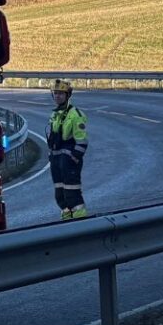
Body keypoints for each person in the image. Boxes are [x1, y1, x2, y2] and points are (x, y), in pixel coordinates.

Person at [47, 80, 90, 220]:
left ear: (67, 95)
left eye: (61, 93)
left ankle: (80, 222)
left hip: (69, 162)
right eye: (55, 93)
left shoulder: (76, 114)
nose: (57, 96)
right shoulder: (55, 114)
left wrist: (74, 158)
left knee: (72, 194)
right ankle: (66, 222)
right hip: (56, 161)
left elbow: (82, 141)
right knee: (60, 196)